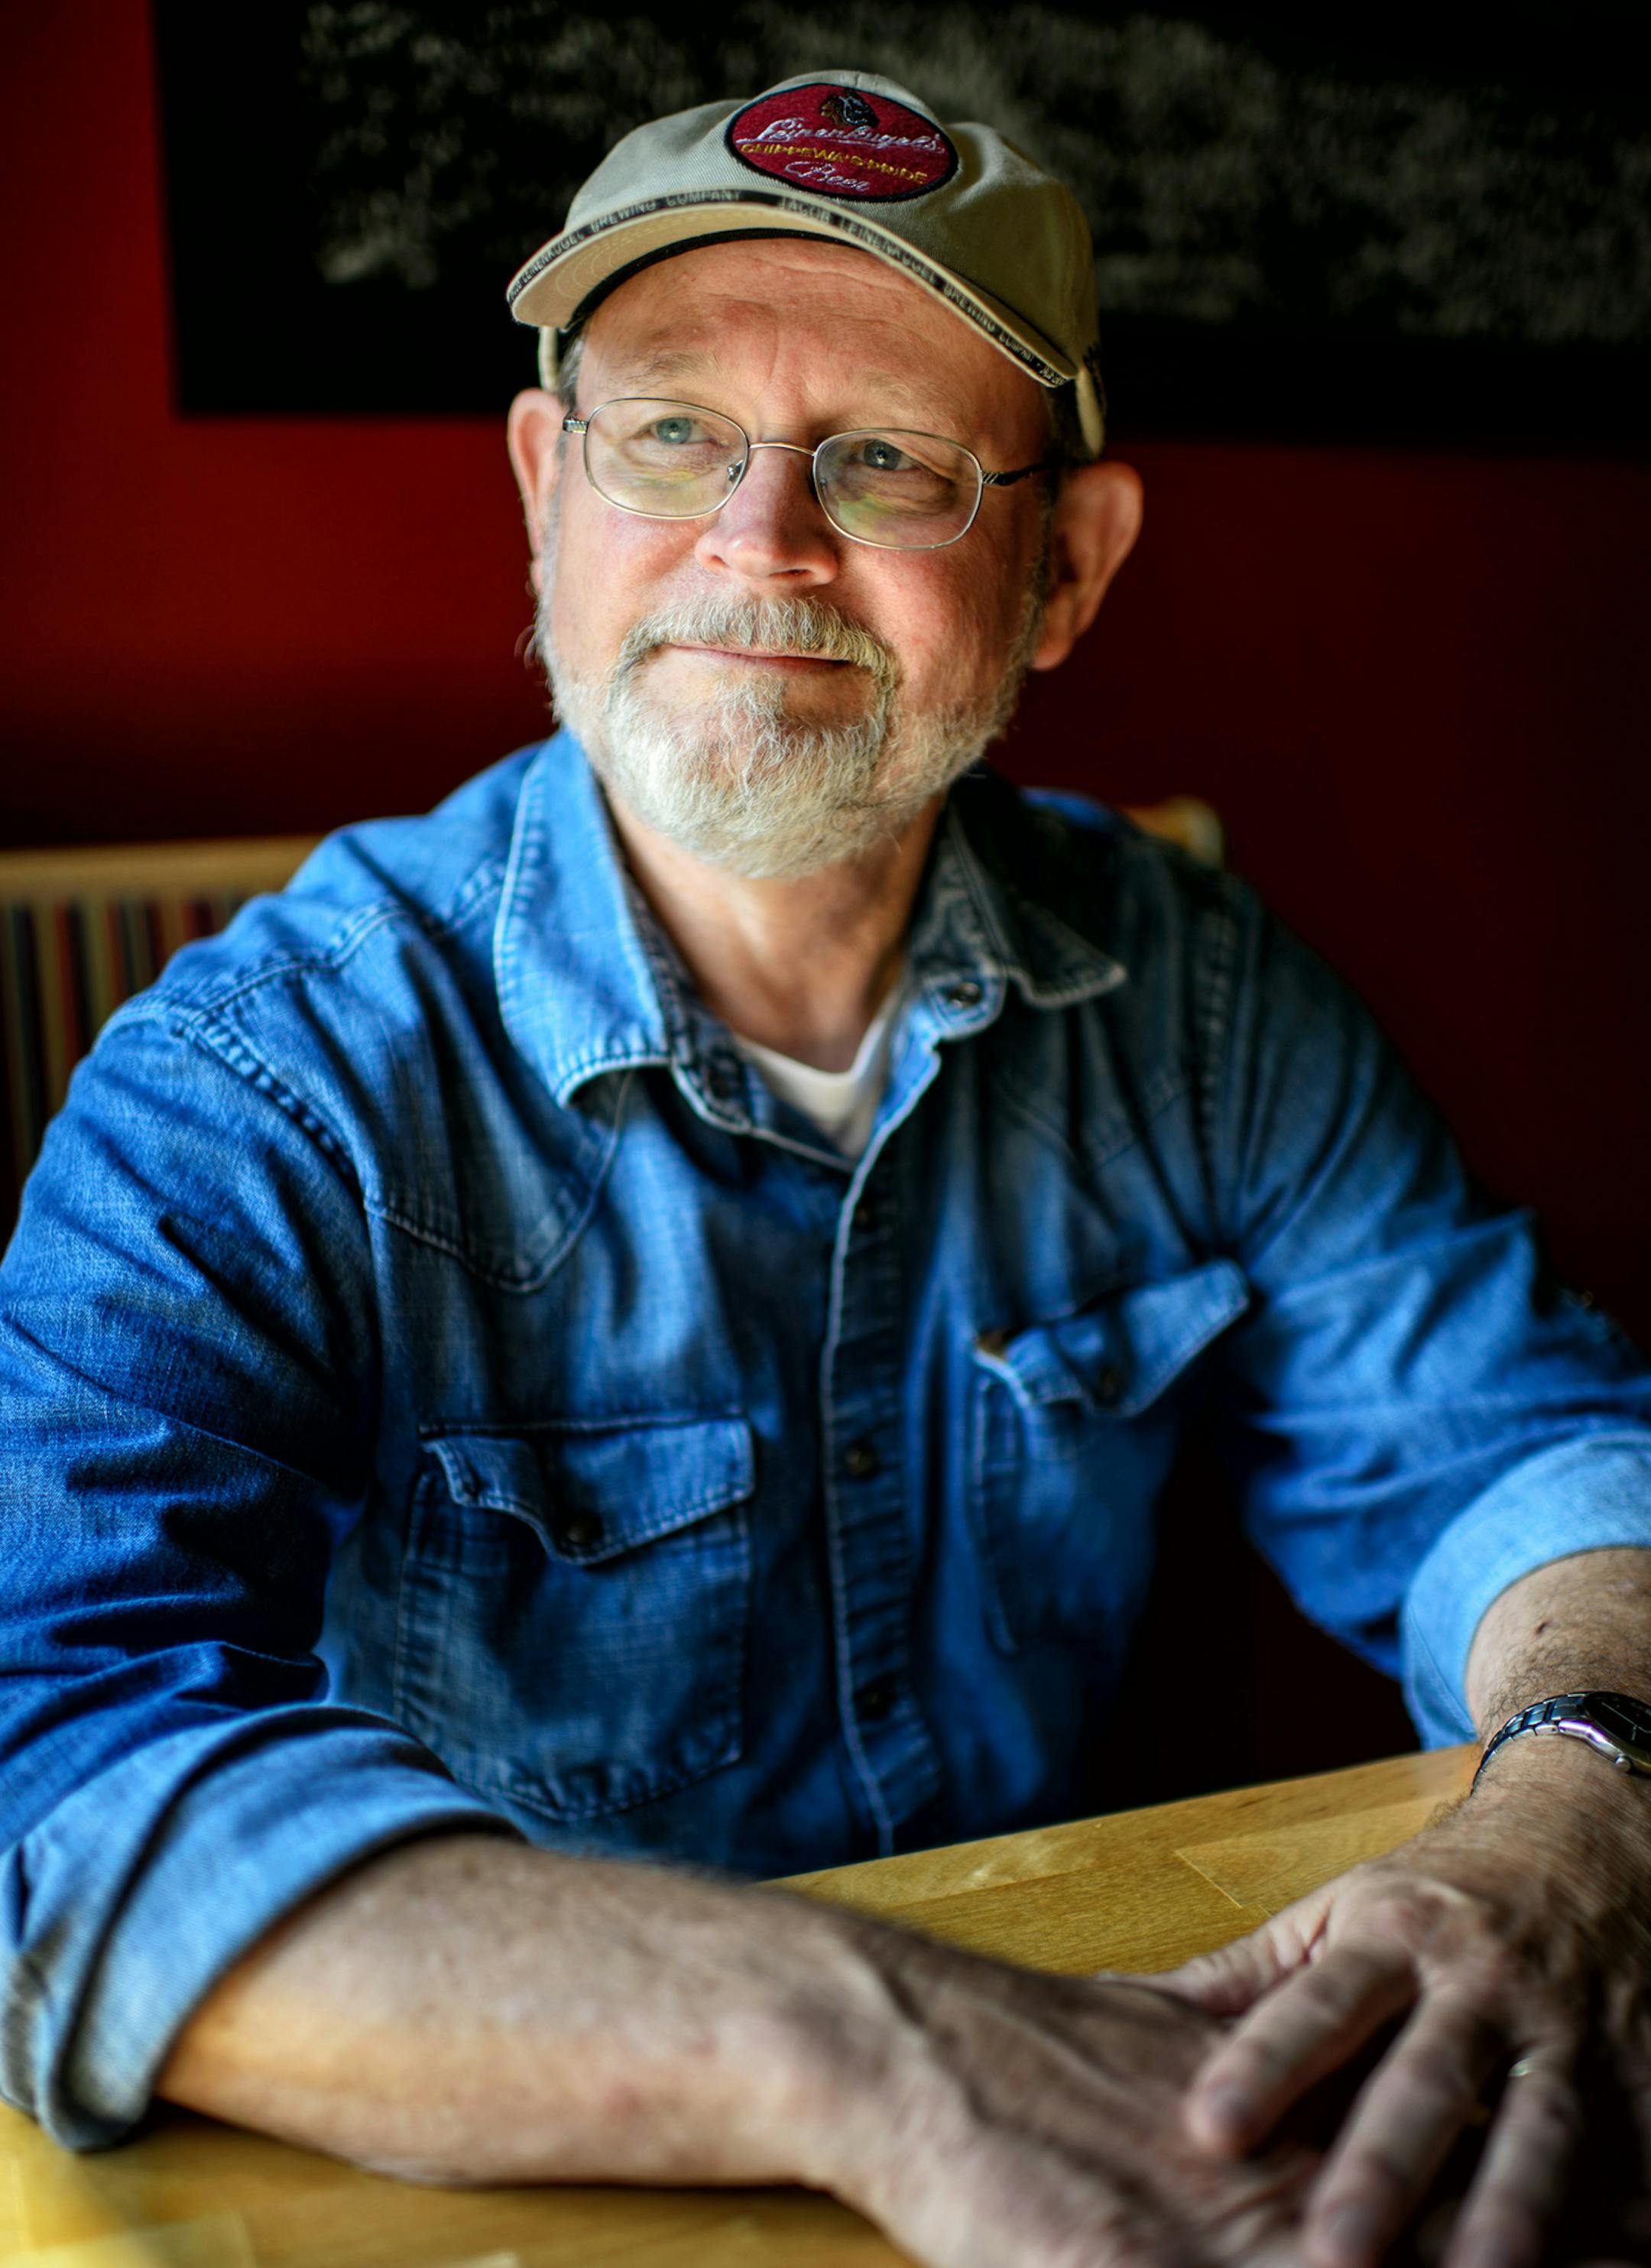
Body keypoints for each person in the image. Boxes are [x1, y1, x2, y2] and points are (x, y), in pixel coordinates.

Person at [2, 66, 1650, 2268]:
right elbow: (44, 1772)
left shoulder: (1201, 997)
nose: (759, 543)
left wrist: (1580, 1806)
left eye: (884, 459)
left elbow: (1517, 1454)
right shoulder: (264, 1076)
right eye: (671, 434)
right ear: (539, 494)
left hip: (1119, 2150)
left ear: (1067, 567)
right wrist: (876, 2044)